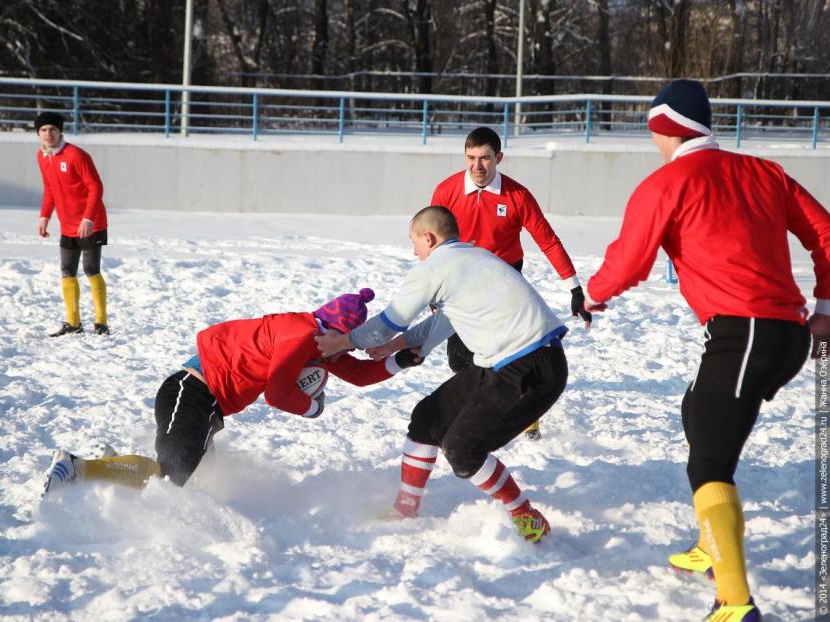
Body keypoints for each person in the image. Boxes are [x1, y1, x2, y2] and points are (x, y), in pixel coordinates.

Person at [583, 79, 830, 621]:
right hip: (783, 334)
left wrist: (593, 295)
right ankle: (711, 541)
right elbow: (826, 234)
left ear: (661, 127)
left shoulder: (666, 183)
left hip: (743, 333)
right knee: (696, 411)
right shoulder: (765, 172)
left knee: (709, 463)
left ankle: (735, 600)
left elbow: (628, 263)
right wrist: (825, 309)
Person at [316, 206, 568, 543]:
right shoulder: (474, 259)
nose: (414, 252)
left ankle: (526, 515)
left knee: (463, 450)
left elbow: (390, 320)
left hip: (529, 366)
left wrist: (344, 340)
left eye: (414, 243)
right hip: (513, 361)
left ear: (428, 238)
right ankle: (406, 507)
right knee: (426, 419)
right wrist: (398, 346)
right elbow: (445, 320)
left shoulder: (436, 267)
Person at [42, 288, 423, 494]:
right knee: (169, 480)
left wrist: (401, 362)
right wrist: (311, 408)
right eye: (347, 341)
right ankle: (78, 468)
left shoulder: (323, 345)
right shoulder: (301, 335)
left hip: (210, 408)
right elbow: (276, 393)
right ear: (332, 330)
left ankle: (113, 466)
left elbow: (358, 375)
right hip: (189, 392)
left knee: (177, 482)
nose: (349, 349)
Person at [431, 126, 589, 439]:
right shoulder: (447, 191)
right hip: (463, 279)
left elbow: (548, 241)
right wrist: (433, 289)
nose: (477, 166)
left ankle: (524, 411)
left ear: (498, 158)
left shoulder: (517, 195)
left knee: (511, 348)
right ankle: (481, 402)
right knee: (460, 358)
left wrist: (574, 288)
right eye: (471, 158)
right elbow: (432, 241)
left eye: (485, 158)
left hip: (505, 278)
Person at [34, 112, 110, 337]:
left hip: (91, 222)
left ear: (60, 131)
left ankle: (101, 323)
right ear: (38, 134)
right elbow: (49, 188)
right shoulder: (42, 156)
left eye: (53, 130)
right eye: (44, 130)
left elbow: (96, 187)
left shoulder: (76, 155)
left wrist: (88, 218)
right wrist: (44, 215)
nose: (48, 134)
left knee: (90, 269)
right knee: (67, 271)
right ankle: (73, 322)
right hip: (67, 224)